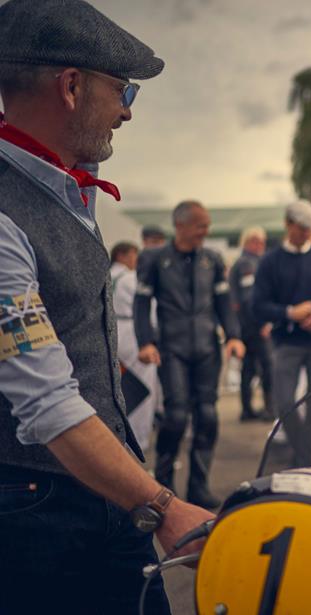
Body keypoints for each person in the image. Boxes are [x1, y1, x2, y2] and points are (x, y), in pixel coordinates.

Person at [0, 2, 213, 613]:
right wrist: (165, 507)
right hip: (40, 512)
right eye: (122, 92)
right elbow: (47, 404)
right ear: (70, 86)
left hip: (103, 492)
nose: (125, 112)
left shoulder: (65, 184)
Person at [135, 200, 244, 509]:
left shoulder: (212, 258)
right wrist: (146, 342)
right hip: (172, 349)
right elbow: (141, 305)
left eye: (207, 226)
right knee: (176, 416)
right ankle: (164, 485)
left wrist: (234, 336)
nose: (205, 232)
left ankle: (199, 485)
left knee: (208, 417)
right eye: (201, 226)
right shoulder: (154, 259)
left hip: (208, 348)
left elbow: (224, 303)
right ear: (180, 226)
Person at [253, 200, 311, 468]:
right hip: (287, 341)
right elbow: (258, 306)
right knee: (283, 402)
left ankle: (303, 457)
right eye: (301, 228)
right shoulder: (270, 262)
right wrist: (289, 313)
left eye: (310, 228)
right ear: (288, 225)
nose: (307, 233)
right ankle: (303, 452)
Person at [111, 241, 159, 451]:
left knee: (119, 386)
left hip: (112, 331)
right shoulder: (130, 278)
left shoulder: (107, 274)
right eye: (133, 255)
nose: (135, 260)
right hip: (132, 332)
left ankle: (116, 435)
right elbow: (151, 309)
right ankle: (138, 440)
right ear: (122, 255)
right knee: (143, 387)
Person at [229, 226, 274, 421]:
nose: (262, 245)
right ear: (250, 242)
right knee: (267, 366)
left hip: (243, 325)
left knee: (248, 368)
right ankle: (269, 409)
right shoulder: (248, 263)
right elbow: (249, 299)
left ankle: (247, 409)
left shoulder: (243, 262)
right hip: (254, 325)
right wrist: (263, 322)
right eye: (259, 241)